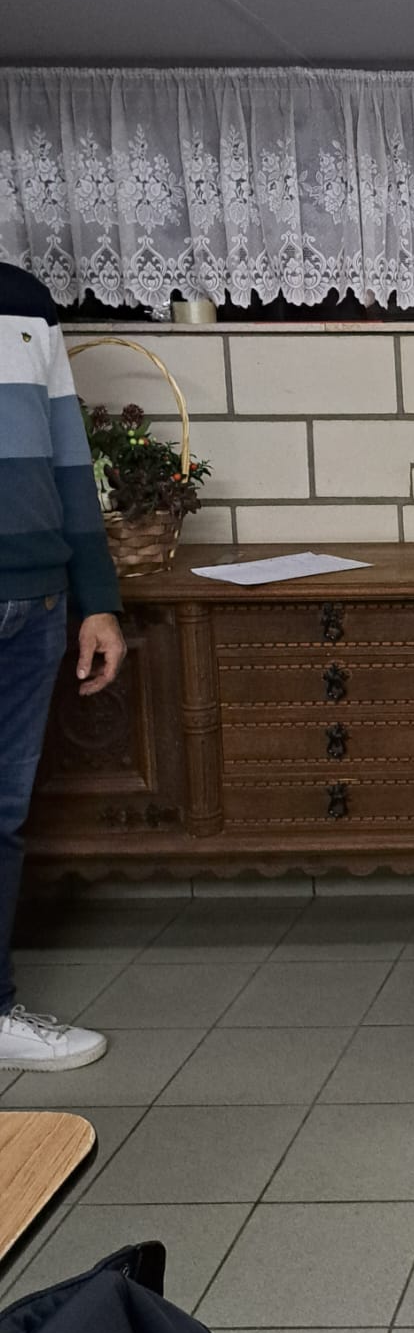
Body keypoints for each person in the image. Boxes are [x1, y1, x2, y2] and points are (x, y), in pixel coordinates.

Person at [1, 261, 126, 1069]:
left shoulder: (23, 302)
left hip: (33, 599)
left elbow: (68, 460)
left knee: (2, 817)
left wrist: (97, 600)